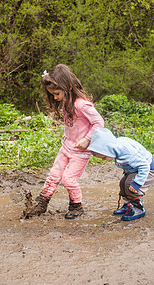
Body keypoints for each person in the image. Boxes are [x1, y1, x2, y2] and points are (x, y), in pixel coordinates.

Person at [23, 64, 104, 219]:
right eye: (52, 94)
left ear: (68, 87)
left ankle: (76, 206)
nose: (55, 97)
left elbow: (99, 122)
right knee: (53, 176)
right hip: (66, 146)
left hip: (80, 151)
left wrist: (87, 139)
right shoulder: (67, 101)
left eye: (57, 93)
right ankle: (41, 203)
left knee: (68, 179)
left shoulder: (81, 104)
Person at [87, 128, 154, 221]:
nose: (103, 160)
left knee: (130, 185)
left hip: (149, 170)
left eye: (104, 157)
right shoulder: (116, 147)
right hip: (137, 170)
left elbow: (144, 166)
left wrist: (137, 183)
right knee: (123, 183)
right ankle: (128, 205)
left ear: (111, 150)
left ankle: (138, 208)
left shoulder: (127, 154)